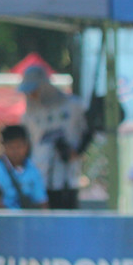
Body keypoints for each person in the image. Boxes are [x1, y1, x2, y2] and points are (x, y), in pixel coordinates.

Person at [18, 65, 87, 210]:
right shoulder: (28, 115)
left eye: (34, 90)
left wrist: (77, 151)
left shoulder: (73, 106)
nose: (32, 95)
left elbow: (88, 131)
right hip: (39, 179)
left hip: (67, 179)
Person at [0, 125, 48, 210]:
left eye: (19, 146)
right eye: (11, 147)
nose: (16, 151)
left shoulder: (33, 169)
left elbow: (42, 202)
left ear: (27, 145)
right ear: (4, 146)